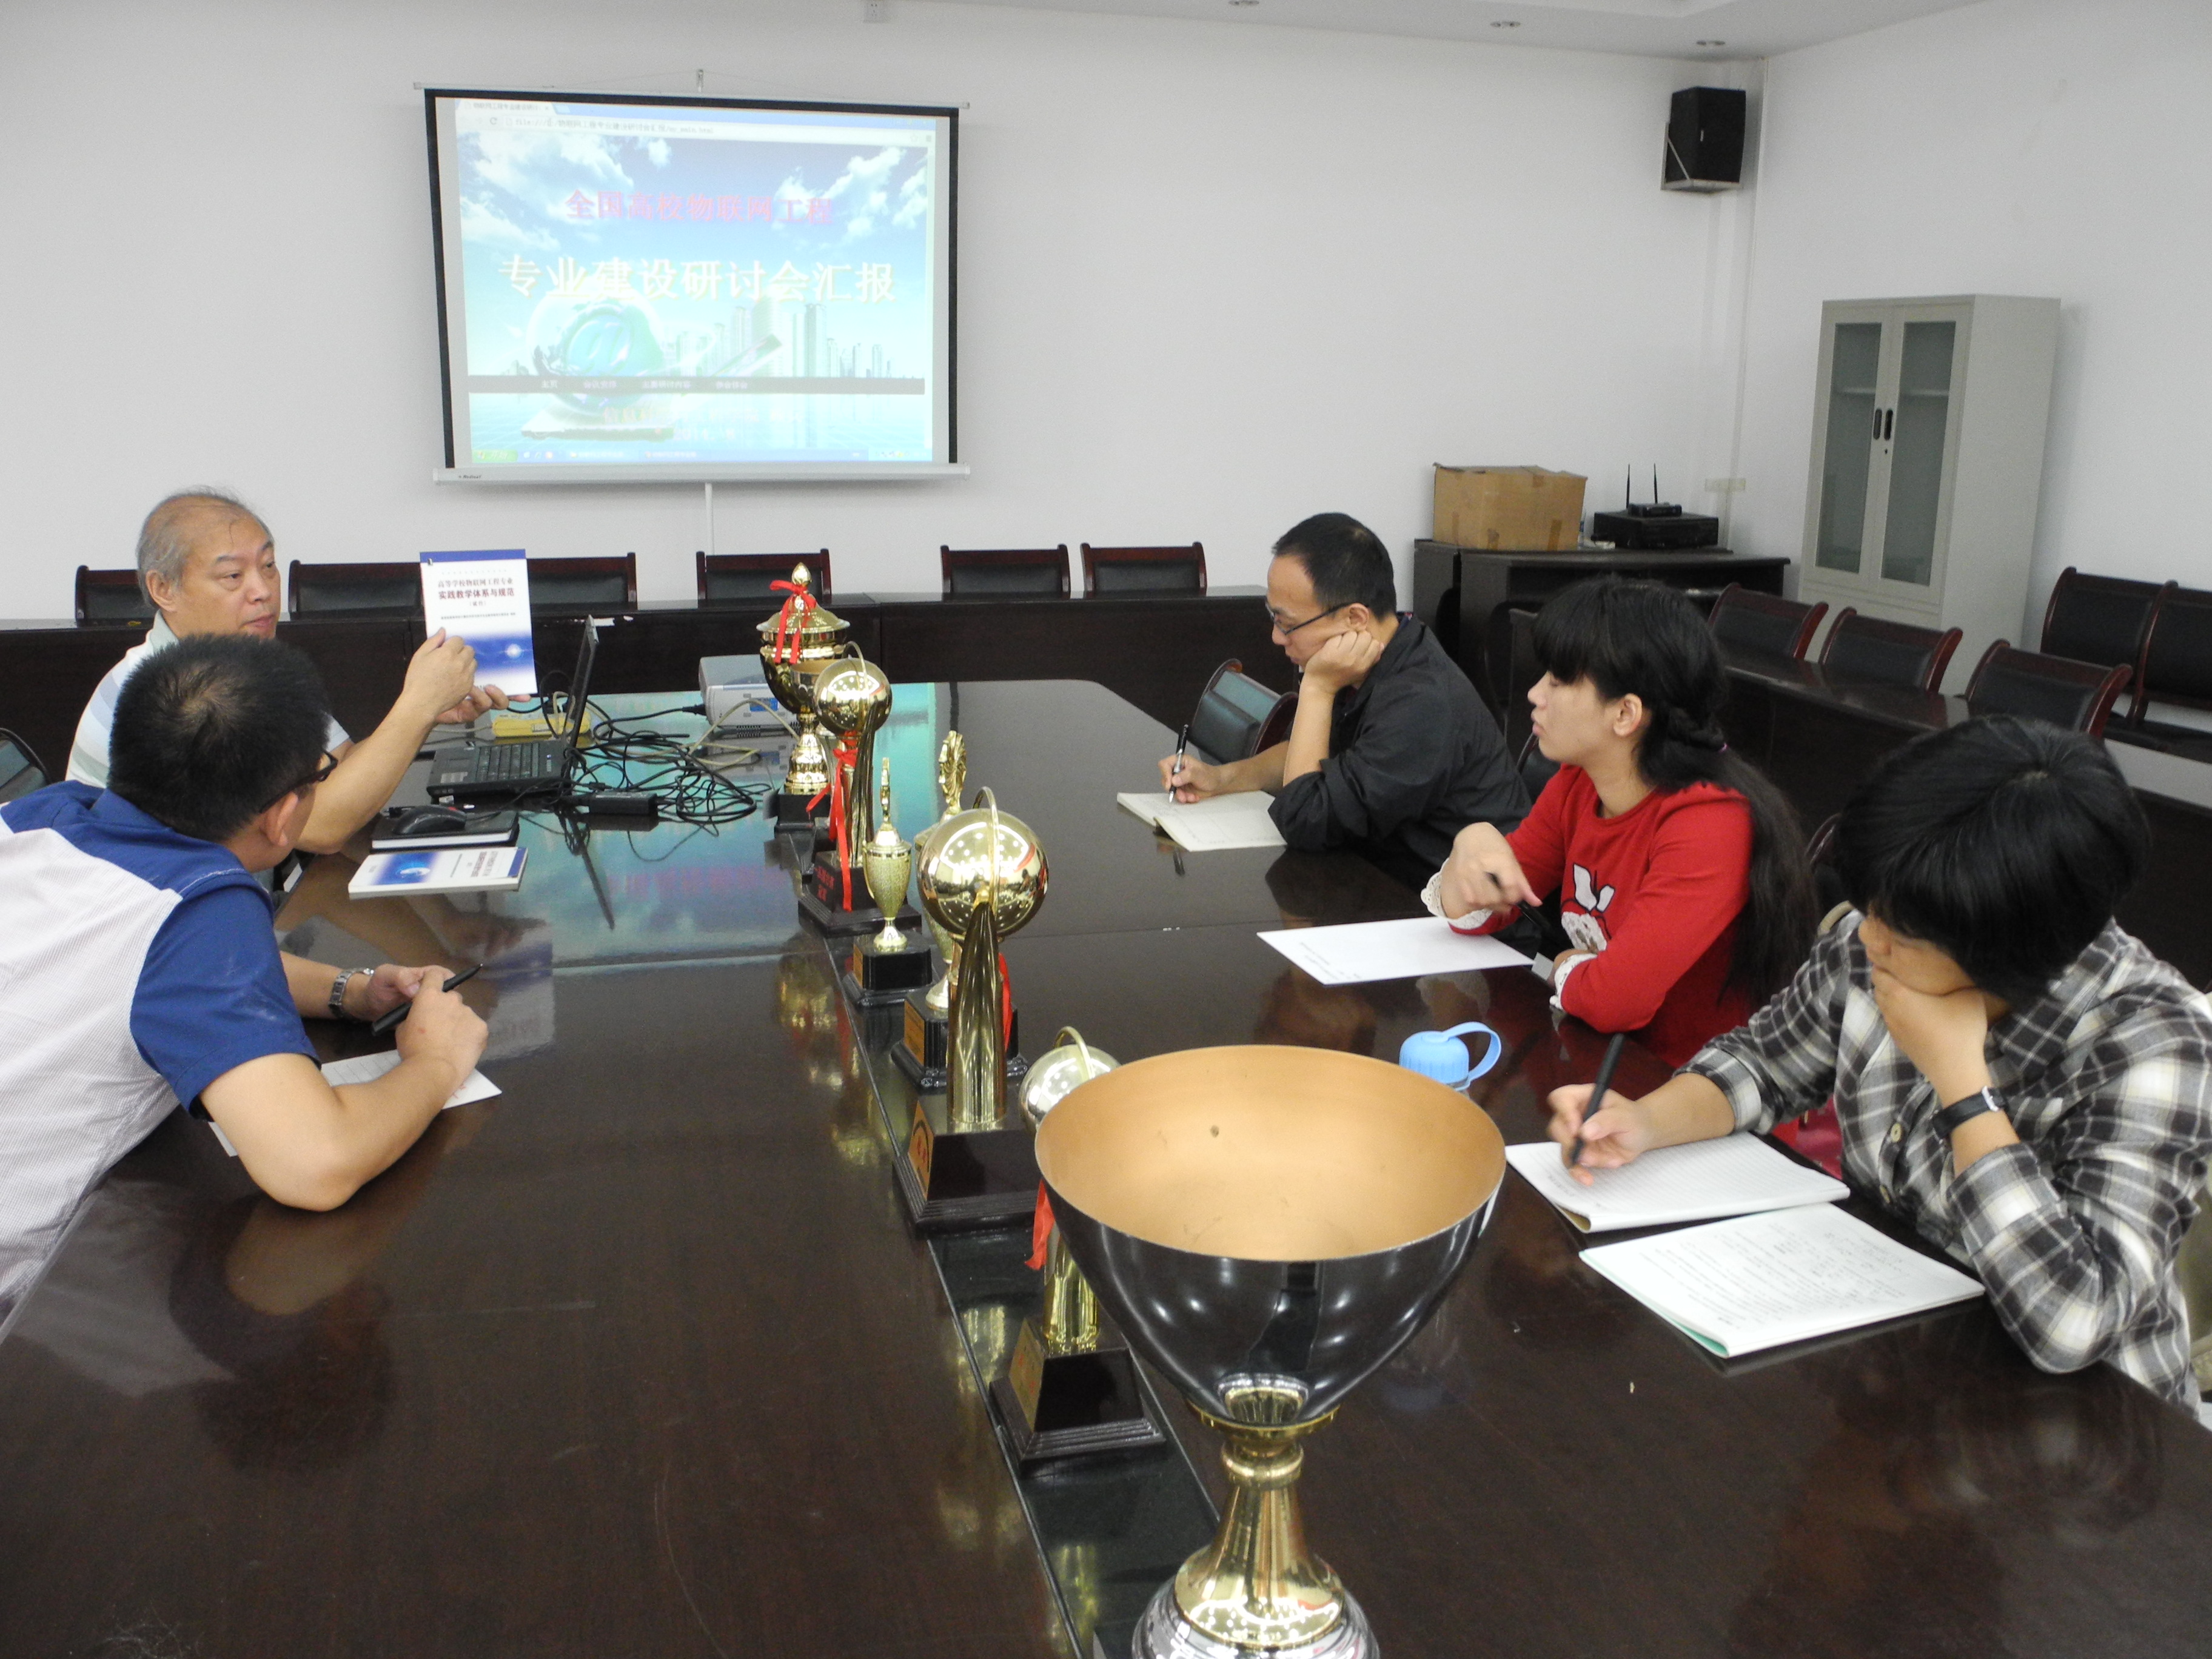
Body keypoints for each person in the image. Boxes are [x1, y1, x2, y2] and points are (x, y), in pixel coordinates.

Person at [1551, 715, 2212, 1404]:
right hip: (1895, 1347)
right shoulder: (1886, 935)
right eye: (1870, 909)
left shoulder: (2153, 1042)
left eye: (1898, 930)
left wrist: (1964, 1085)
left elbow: (2076, 1324)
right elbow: (1763, 1064)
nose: (1867, 937)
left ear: (2003, 951)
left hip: (2084, 1423)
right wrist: (1644, 1123)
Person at [0, 632, 490, 1321]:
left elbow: (140, 968)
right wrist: (435, 1061)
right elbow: (315, 1164)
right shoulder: (202, 907)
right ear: (285, 816)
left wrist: (347, 991)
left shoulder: (42, 816)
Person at [1429, 577, 1814, 1067]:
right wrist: (1470, 844)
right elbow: (1485, 910)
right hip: (1595, 1059)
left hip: (1686, 1086)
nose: (1534, 693)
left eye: (1558, 681)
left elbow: (1616, 1001)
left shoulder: (1710, 823)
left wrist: (1566, 968)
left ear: (1626, 713)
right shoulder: (1579, 782)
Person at [67, 488, 508, 851]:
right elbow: (316, 826)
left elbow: (339, 767)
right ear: (163, 589)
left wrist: (427, 714)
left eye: (268, 567)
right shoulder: (166, 694)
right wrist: (416, 707)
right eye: (233, 576)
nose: (263, 591)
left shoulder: (245, 666)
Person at [1158, 512, 1526, 886]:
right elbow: (1313, 757)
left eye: (1287, 623)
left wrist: (1317, 689)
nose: (1276, 637)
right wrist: (1221, 778)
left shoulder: (1422, 703)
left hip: (1445, 905)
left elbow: (1303, 819)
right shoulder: (1379, 655)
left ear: (1355, 619)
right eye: (1274, 617)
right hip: (1374, 877)